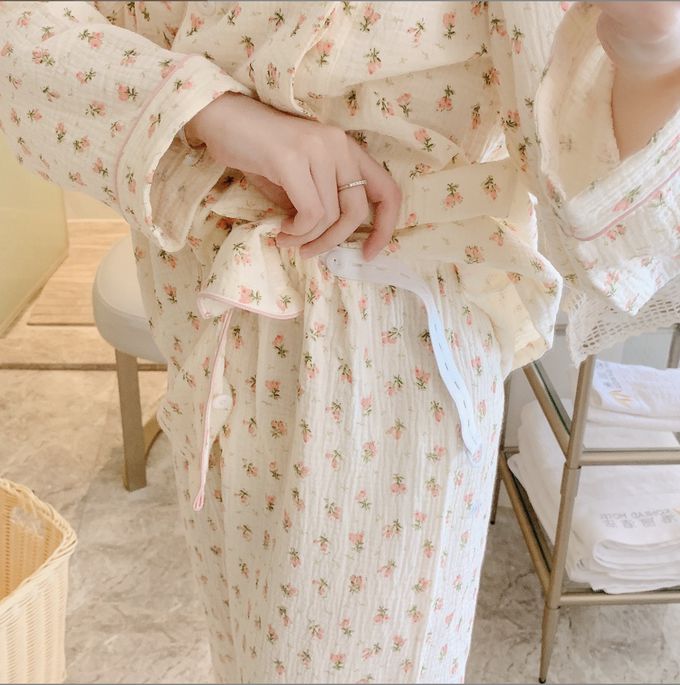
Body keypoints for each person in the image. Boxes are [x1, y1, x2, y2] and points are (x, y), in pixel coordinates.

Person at [1, 2, 679, 682]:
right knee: (245, 648)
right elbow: (23, 35)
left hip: (387, 357)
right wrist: (210, 111)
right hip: (211, 331)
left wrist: (649, 47)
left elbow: (594, 189)